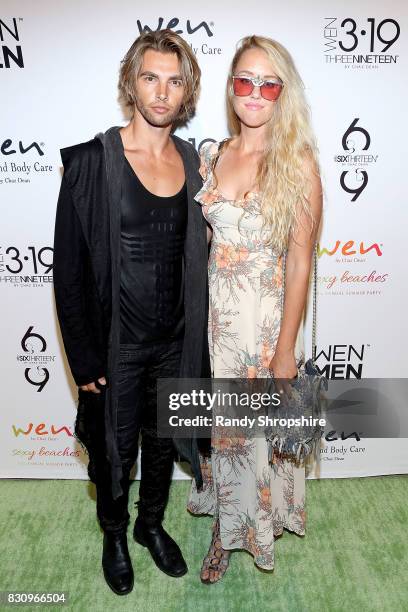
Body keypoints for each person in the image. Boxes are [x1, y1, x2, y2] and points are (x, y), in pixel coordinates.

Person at [53, 30, 209, 596]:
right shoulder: (92, 162)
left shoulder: (194, 162)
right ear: (131, 83)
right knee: (114, 449)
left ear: (186, 90)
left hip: (176, 341)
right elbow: (67, 271)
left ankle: (150, 526)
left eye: (174, 81)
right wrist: (84, 355)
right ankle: (114, 534)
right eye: (151, 78)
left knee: (165, 443)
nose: (162, 92)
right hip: (117, 343)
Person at [188, 35, 323, 583]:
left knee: (259, 436)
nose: (255, 93)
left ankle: (252, 527)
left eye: (269, 84)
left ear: (282, 93)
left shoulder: (298, 164)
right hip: (218, 324)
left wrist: (286, 349)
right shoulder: (212, 157)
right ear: (230, 88)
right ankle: (226, 523)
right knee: (227, 433)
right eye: (245, 80)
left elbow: (299, 264)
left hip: (266, 327)